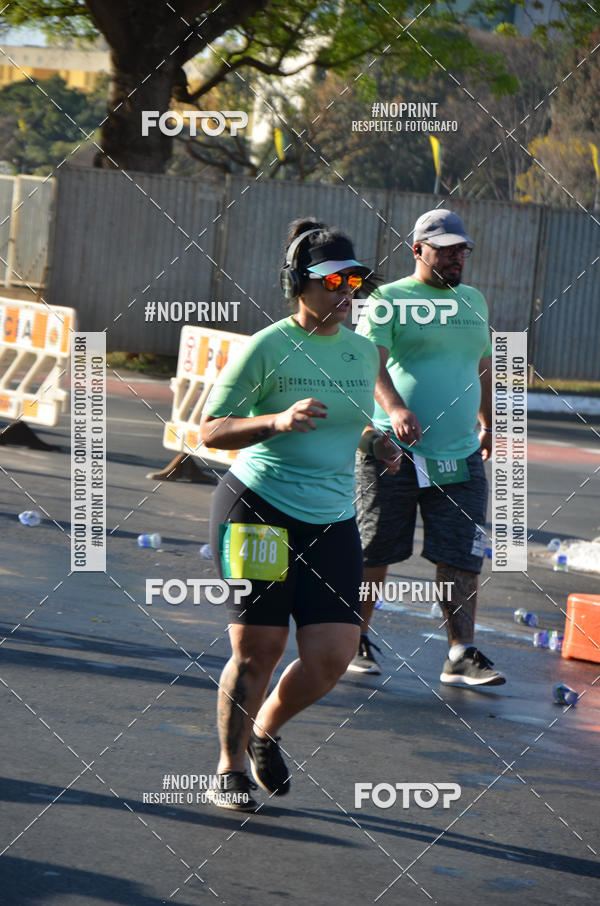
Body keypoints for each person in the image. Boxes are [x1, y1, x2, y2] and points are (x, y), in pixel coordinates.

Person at [199, 219, 398, 810]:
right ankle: (228, 767)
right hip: (258, 508)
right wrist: (276, 421)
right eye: (333, 280)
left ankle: (264, 730)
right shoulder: (268, 346)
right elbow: (210, 429)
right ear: (298, 284)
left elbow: (352, 420)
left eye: (354, 281)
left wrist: (374, 443)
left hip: (331, 516)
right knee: (259, 649)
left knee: (333, 656)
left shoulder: (363, 353)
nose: (346, 293)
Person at [350, 209, 505, 687]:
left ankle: (460, 653)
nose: (456, 257)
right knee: (374, 549)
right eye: (445, 249)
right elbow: (368, 366)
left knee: (460, 553)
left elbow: (481, 366)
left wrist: (488, 422)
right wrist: (394, 408)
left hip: (457, 456)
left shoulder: (474, 300)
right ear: (417, 250)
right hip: (391, 453)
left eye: (461, 249)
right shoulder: (388, 300)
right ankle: (352, 638)